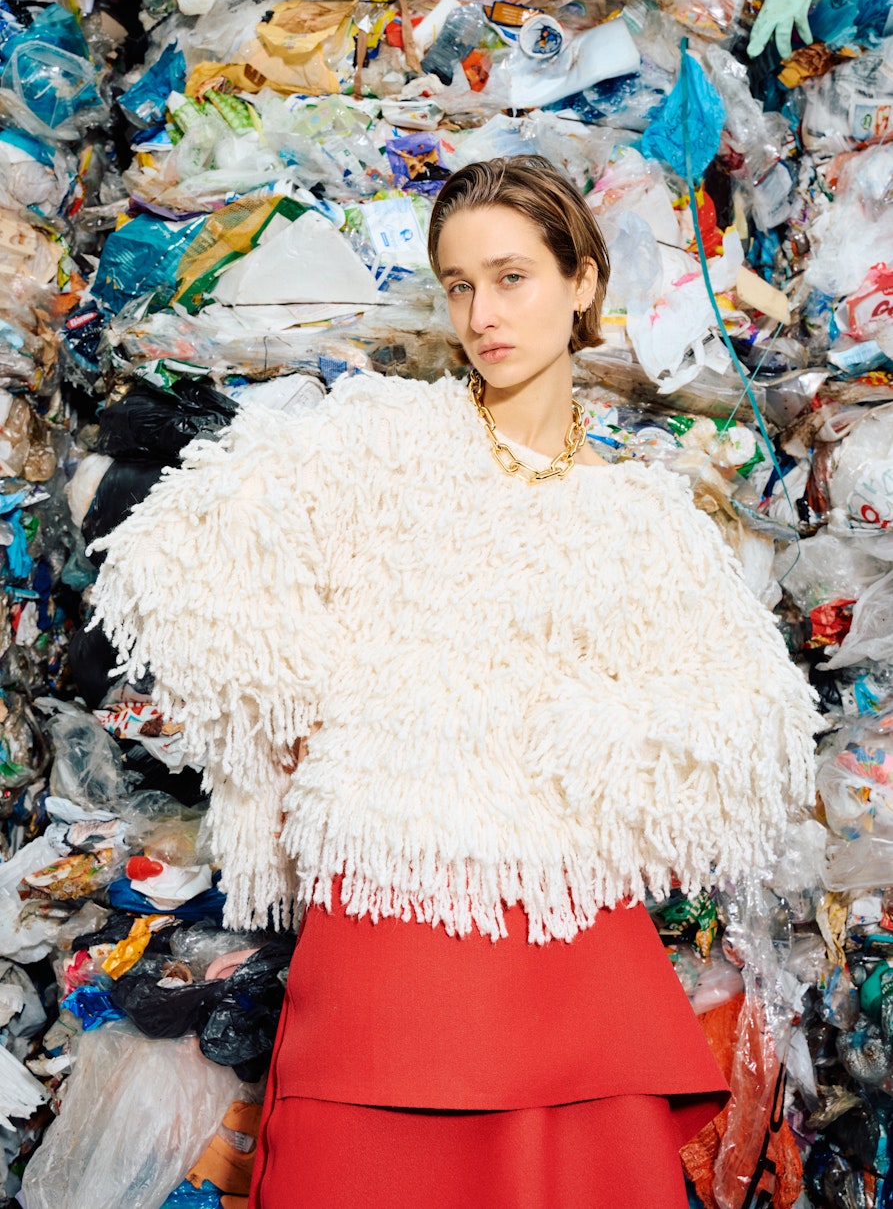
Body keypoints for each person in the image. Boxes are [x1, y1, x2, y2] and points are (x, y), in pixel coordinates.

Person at [90, 155, 822, 1208]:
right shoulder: (380, 440)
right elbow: (182, 552)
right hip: (385, 924)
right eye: (459, 284)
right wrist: (314, 701)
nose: (482, 313)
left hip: (560, 936)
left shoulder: (642, 517)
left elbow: (749, 722)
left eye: (511, 277)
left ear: (581, 282)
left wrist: (581, 742)